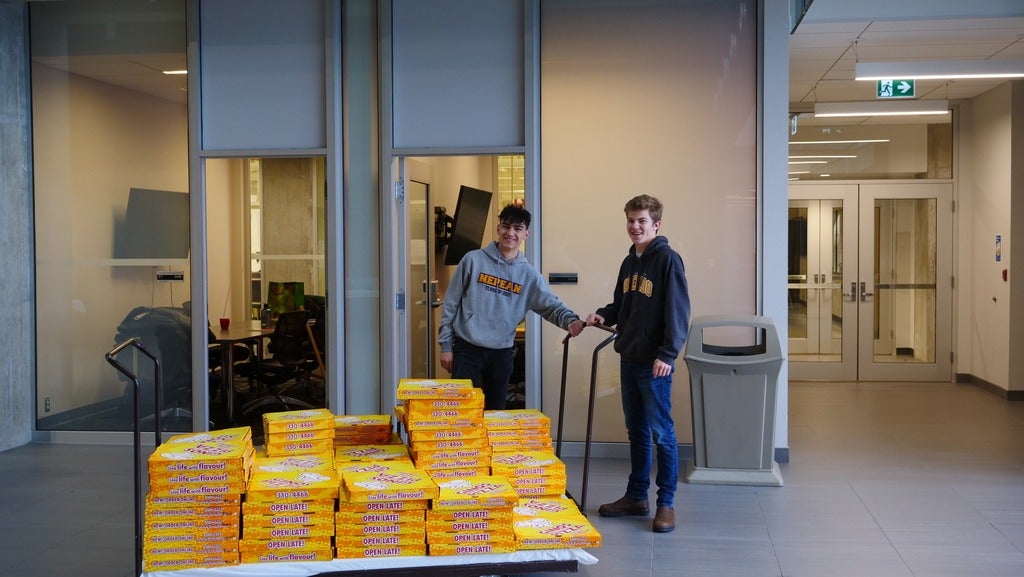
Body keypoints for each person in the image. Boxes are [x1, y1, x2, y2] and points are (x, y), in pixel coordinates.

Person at [585, 194, 690, 534]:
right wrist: (603, 314)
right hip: (628, 358)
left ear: (656, 224)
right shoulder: (629, 262)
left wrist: (668, 354)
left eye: (642, 220)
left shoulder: (668, 261)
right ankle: (636, 497)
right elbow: (622, 306)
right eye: (631, 220)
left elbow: (678, 311)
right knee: (638, 432)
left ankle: (666, 504)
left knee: (663, 433)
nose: (635, 226)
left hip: (655, 363)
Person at [439, 204, 585, 410]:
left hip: (501, 354)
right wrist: (446, 346)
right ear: (498, 228)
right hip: (467, 350)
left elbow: (551, 306)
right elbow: (450, 305)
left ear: (526, 233)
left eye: (517, 228)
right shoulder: (473, 260)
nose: (510, 233)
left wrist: (571, 320)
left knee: (495, 415)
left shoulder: (529, 275)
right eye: (506, 227)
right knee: (463, 414)